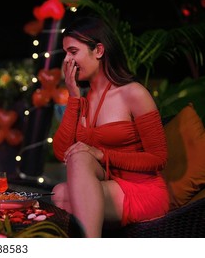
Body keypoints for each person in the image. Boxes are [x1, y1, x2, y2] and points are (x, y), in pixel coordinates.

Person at [50, 16, 169, 238]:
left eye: (73, 52)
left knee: (74, 177)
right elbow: (61, 152)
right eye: (65, 53)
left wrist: (100, 153)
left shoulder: (133, 93)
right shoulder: (83, 101)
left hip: (142, 191)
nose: (67, 61)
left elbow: (159, 158)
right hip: (109, 189)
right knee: (59, 192)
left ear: (99, 50)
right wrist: (74, 97)